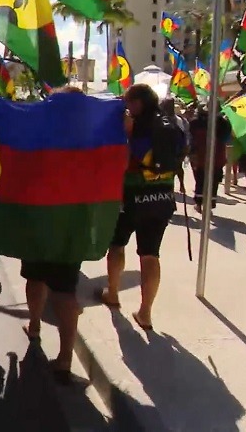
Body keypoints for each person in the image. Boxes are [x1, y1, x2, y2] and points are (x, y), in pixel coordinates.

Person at [97, 84, 183, 331]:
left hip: (133, 196)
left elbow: (123, 159)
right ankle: (145, 312)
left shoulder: (133, 125)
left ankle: (112, 293)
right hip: (163, 197)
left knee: (117, 245)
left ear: (137, 103)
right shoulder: (171, 124)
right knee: (150, 255)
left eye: (128, 102)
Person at [21, 86, 86, 381]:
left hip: (40, 220)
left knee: (36, 278)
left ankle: (34, 325)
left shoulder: (39, 136)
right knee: (64, 290)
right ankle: (64, 357)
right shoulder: (92, 139)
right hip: (71, 224)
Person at [189, 106, 231, 213]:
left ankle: (199, 204)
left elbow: (192, 138)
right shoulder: (224, 123)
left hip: (201, 157)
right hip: (217, 157)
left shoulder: (195, 122)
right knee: (214, 181)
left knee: (200, 180)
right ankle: (209, 205)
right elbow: (227, 139)